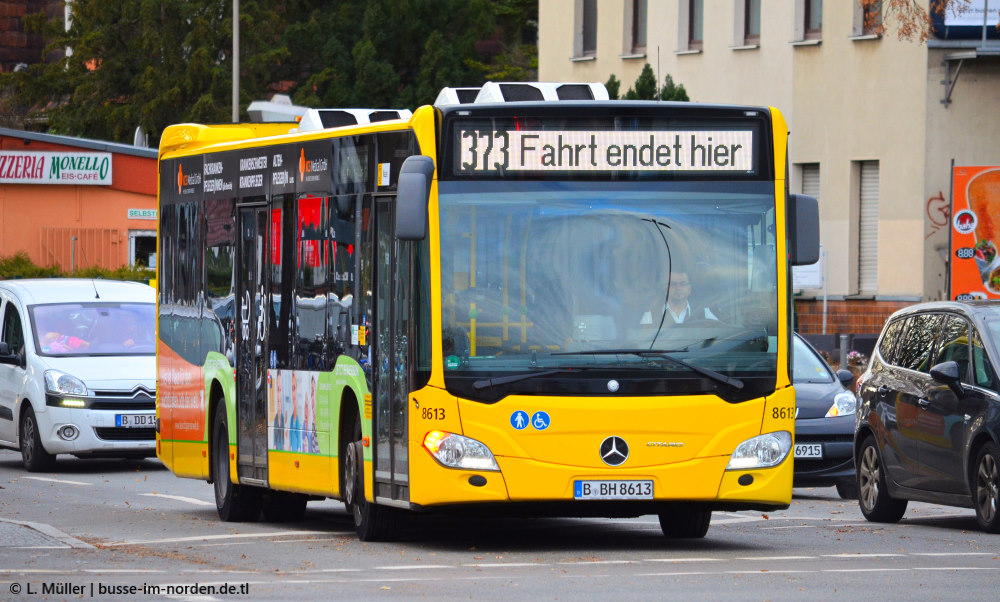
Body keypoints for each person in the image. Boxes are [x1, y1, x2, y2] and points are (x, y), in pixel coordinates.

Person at [641, 270, 717, 327]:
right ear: (665, 290)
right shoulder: (651, 314)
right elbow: (643, 341)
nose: (678, 288)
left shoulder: (704, 312)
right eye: (673, 284)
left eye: (683, 284)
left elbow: (717, 334)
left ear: (689, 289)